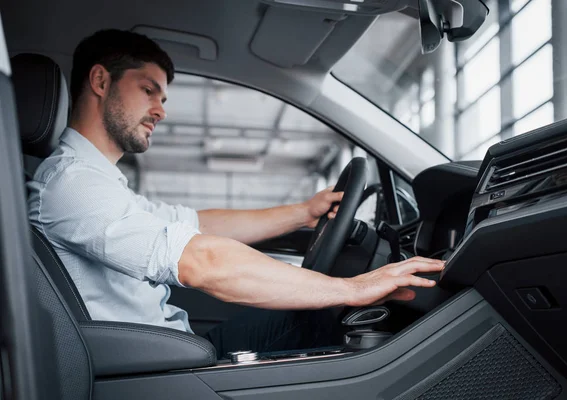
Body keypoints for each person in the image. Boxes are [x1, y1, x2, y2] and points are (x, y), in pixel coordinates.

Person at [27, 29, 444, 358]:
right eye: (148, 89)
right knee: (331, 315)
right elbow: (201, 260)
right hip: (150, 364)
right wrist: (352, 289)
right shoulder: (72, 184)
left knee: (314, 312)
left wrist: (303, 212)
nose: (161, 110)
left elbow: (196, 224)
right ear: (100, 80)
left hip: (167, 347)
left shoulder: (96, 181)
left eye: (163, 96)